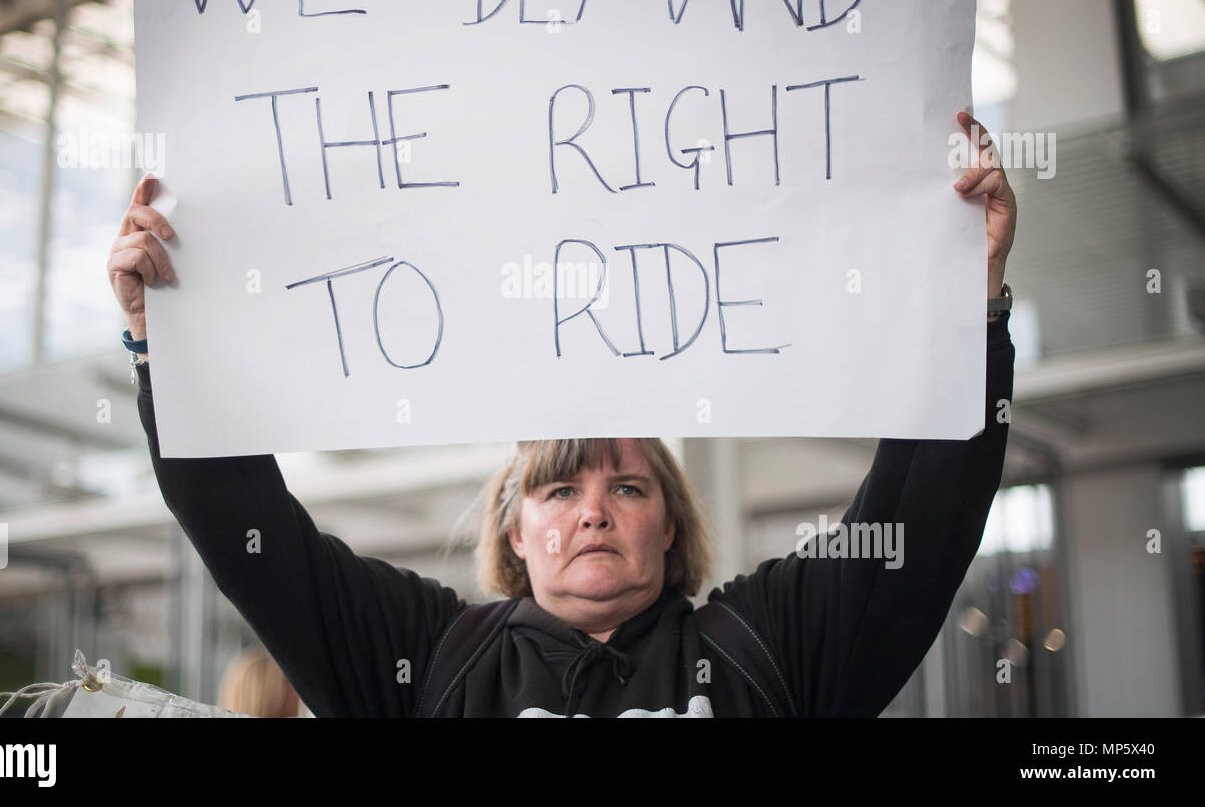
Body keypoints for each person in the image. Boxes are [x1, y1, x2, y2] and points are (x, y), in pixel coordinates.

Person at [107, 111, 1017, 717]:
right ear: (511, 530)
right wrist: (169, 346)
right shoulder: (426, 661)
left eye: (627, 484)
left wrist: (961, 303)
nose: (593, 510)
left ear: (671, 528)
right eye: (557, 489)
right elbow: (251, 535)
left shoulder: (764, 648)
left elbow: (919, 522)